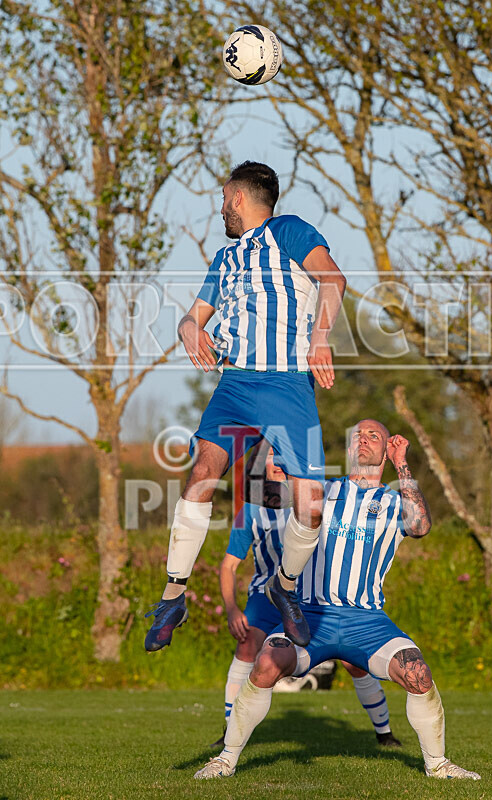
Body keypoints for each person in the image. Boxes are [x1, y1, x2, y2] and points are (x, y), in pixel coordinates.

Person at [194, 420, 481, 781]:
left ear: (386, 449)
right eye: (357, 436)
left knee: (417, 673)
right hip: (310, 616)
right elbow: (262, 494)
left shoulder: (393, 501)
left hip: (367, 621)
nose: (363, 440)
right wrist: (271, 433)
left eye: (373, 435)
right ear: (348, 450)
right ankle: (225, 760)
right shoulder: (321, 491)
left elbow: (421, 527)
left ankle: (437, 765)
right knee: (265, 663)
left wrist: (402, 464)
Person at [145, 161, 346, 651]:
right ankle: (174, 595)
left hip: (286, 384)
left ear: (237, 196)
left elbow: (333, 280)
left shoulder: (289, 231)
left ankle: (286, 586)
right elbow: (193, 317)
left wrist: (320, 340)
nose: (220, 206)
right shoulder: (225, 257)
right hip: (234, 384)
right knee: (201, 476)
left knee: (310, 505)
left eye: (222, 196)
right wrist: (190, 328)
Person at [213, 441, 401, 748]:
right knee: (248, 645)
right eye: (270, 455)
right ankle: (228, 732)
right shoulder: (249, 509)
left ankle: (384, 732)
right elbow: (228, 566)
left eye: (282, 454)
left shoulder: (313, 496)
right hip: (266, 595)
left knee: (353, 660)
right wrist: (233, 610)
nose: (276, 461)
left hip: (309, 594)